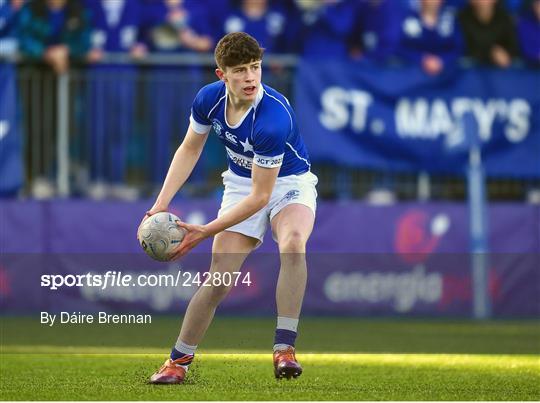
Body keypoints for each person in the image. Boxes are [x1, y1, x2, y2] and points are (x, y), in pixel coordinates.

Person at [142, 32, 317, 384]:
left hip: (288, 183)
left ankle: (284, 350)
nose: (251, 77)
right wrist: (159, 206)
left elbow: (262, 197)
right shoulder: (208, 99)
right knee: (219, 281)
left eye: (255, 67)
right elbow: (190, 149)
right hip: (240, 184)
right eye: (240, 70)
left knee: (293, 243)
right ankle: (177, 362)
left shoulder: (272, 118)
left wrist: (206, 230)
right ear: (222, 74)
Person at [397, 0, 463, 75]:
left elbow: (458, 47)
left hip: (446, 74)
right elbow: (400, 46)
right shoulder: (408, 17)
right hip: (412, 72)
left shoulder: (449, 19)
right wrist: (422, 59)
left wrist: (442, 60)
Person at [458, 0, 519, 67]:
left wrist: (507, 54)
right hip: (472, 69)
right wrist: (490, 54)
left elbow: (513, 45)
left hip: (501, 69)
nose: (482, 2)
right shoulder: (462, 18)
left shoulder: (504, 16)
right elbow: (463, 48)